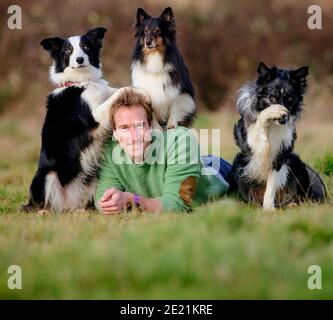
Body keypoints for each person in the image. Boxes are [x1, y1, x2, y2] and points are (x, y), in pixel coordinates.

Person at [94, 87, 232, 214]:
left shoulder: (181, 140)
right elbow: (101, 197)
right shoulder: (110, 150)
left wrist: (133, 200)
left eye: (140, 126)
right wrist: (111, 202)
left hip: (216, 174)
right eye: (124, 128)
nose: (134, 137)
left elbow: (179, 204)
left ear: (150, 126)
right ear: (115, 133)